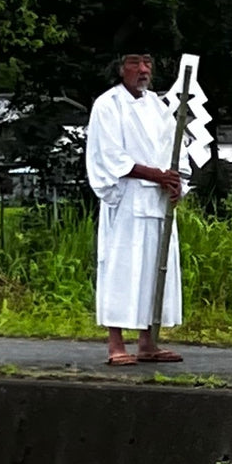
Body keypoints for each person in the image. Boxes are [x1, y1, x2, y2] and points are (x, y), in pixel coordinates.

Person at [86, 49, 190, 366]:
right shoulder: (108, 105)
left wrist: (175, 183)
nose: (143, 69)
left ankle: (148, 341)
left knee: (155, 271)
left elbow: (177, 150)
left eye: (147, 62)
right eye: (135, 63)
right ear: (120, 68)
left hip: (157, 201)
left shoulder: (158, 107)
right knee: (122, 268)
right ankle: (116, 343)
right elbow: (111, 156)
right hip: (128, 199)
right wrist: (155, 174)